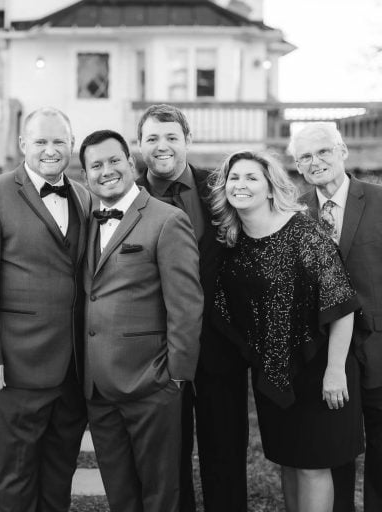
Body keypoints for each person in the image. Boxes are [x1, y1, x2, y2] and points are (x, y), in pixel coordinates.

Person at [210, 149, 364, 512]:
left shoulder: (303, 235)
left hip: (320, 371)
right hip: (274, 373)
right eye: (234, 177)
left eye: (251, 177)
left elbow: (342, 305)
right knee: (290, 462)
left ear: (269, 188)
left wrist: (335, 371)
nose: (241, 184)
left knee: (312, 467)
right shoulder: (234, 244)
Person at [290, 123, 382, 512]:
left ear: (342, 150)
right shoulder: (296, 213)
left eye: (322, 152)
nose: (315, 162)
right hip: (326, 357)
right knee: (335, 454)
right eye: (305, 157)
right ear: (297, 165)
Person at [0, 107, 91, 512]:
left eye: (59, 142)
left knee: (59, 473)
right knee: (15, 477)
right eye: (41, 141)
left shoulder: (85, 196)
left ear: (71, 145)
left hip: (73, 369)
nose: (50, 150)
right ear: (22, 146)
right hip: (16, 367)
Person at [79, 129, 202, 512]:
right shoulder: (86, 222)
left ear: (131, 163)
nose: (106, 171)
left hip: (152, 383)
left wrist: (176, 376)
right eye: (95, 165)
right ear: (85, 176)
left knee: (159, 494)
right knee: (121, 495)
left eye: (114, 160)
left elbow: (186, 304)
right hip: (97, 387)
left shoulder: (168, 220)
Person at [135, 103, 248, 511]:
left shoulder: (222, 190)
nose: (162, 146)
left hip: (222, 346)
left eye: (171, 137)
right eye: (152, 138)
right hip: (155, 350)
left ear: (188, 140)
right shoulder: (126, 196)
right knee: (167, 458)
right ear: (139, 144)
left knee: (227, 454)